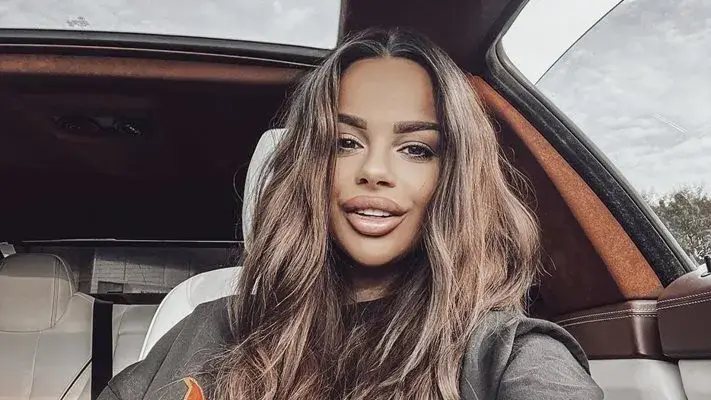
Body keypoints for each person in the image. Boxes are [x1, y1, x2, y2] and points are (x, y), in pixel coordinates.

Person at [99, 28, 603, 400]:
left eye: (416, 149)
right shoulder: (204, 327)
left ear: (454, 178)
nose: (375, 170)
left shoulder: (504, 354)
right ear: (309, 167)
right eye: (345, 142)